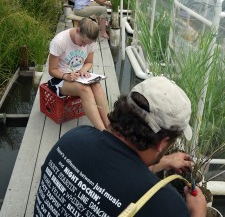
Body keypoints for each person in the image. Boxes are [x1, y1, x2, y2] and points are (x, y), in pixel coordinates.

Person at [34, 76, 207, 217]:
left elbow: (114, 176)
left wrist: (164, 162)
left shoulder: (74, 138)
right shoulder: (166, 204)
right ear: (162, 142)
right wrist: (197, 213)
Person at [47, 18, 109, 130]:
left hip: (79, 75)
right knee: (85, 89)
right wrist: (66, 76)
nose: (83, 46)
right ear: (78, 30)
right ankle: (103, 131)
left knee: (97, 85)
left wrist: (83, 70)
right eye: (83, 42)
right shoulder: (59, 41)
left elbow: (89, 62)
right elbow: (52, 70)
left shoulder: (89, 42)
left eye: (87, 44)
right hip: (60, 78)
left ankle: (110, 126)